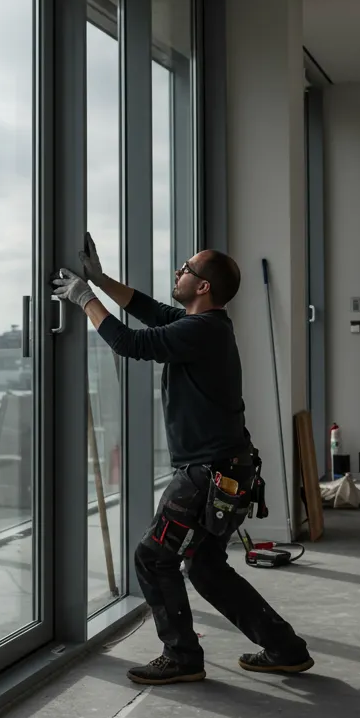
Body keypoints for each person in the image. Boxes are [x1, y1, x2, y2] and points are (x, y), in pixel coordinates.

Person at [52, 234, 313, 686]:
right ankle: (285, 648)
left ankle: (182, 656)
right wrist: (101, 279)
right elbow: (148, 309)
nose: (179, 272)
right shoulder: (205, 325)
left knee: (153, 559)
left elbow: (129, 342)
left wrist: (84, 298)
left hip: (206, 473)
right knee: (206, 567)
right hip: (229, 469)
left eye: (186, 269)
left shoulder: (201, 331)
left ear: (204, 286)